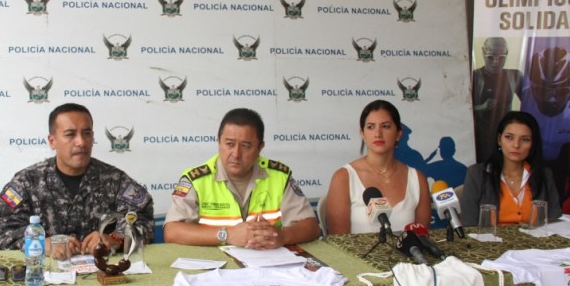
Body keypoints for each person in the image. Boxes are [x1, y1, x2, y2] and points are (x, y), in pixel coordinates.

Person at [0, 103, 153, 255]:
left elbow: (143, 221)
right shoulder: (27, 181)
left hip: (103, 270)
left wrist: (114, 238)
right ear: (52, 141)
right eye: (70, 134)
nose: (81, 142)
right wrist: (40, 243)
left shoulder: (115, 180)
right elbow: (4, 231)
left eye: (87, 133)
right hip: (46, 271)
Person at [163, 108, 319, 248]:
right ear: (218, 141)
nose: (236, 154)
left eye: (245, 146)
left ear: (260, 147)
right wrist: (227, 235)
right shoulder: (196, 180)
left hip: (267, 261)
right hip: (215, 263)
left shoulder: (279, 176)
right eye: (229, 144)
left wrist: (282, 236)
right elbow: (172, 231)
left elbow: (311, 227)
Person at [325, 100, 431, 234]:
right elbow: (338, 242)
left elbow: (422, 238)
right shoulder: (343, 177)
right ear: (362, 134)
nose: (378, 134)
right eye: (370, 127)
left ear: (399, 133)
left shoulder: (417, 179)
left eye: (385, 126)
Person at [460, 111, 562, 226]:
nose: (516, 145)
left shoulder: (544, 174)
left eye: (525, 139)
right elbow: (468, 225)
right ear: (499, 140)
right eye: (509, 137)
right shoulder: (476, 174)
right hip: (490, 237)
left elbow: (555, 220)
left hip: (536, 238)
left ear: (533, 144)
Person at [472, 37, 523, 161]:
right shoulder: (474, 76)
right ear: (483, 53)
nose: (496, 62)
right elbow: (459, 109)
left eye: (501, 57)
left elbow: (531, 103)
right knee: (485, 165)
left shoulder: (514, 76)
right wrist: (481, 107)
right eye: (490, 57)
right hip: (482, 134)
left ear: (507, 54)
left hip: (507, 133)